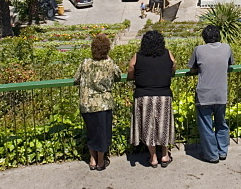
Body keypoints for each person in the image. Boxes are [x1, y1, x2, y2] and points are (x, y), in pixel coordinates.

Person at [74, 33, 121, 170]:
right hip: (103, 104)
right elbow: (118, 75)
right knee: (103, 133)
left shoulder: (85, 63)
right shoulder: (109, 64)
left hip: (86, 103)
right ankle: (101, 161)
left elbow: (76, 78)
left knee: (91, 132)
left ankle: (92, 159)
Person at [128, 30, 176, 167]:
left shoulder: (137, 56)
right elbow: (173, 65)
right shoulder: (167, 54)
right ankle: (165, 155)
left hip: (144, 96)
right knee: (164, 125)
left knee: (148, 126)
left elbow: (131, 70)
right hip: (164, 95)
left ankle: (153, 157)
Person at [188, 24, 234, 163]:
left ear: (204, 37)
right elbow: (229, 63)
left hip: (204, 95)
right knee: (221, 123)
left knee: (206, 126)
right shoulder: (227, 48)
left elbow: (192, 69)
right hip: (221, 93)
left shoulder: (199, 50)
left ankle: (211, 155)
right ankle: (222, 151)